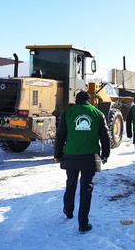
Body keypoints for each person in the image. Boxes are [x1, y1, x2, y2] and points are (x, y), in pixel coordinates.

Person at [54, 90, 111, 233]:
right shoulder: (98, 113)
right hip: (89, 158)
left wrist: (58, 154)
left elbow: (60, 135)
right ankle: (83, 224)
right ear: (89, 100)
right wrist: (105, 154)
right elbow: (105, 137)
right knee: (86, 190)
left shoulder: (68, 113)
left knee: (71, 183)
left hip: (71, 155)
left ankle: (68, 211)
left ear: (76, 100)